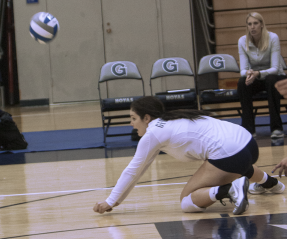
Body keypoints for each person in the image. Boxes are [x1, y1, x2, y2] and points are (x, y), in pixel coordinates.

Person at [93, 96, 285, 215]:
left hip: (232, 154)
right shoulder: (175, 119)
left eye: (133, 118)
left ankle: (229, 190)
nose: (131, 124)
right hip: (249, 144)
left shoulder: (153, 133)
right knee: (231, 165)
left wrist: (111, 201)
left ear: (147, 118)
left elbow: (133, 171)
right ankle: (272, 183)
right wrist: (115, 201)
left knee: (186, 202)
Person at [237, 12, 286, 138]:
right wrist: (248, 73)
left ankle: (276, 128)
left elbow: (275, 69)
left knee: (270, 79)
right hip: (256, 77)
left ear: (262, 25)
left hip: (275, 77)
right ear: (247, 26)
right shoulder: (242, 41)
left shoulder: (273, 38)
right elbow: (242, 70)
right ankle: (248, 130)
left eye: (255, 23)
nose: (252, 27)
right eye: (249, 24)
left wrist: (258, 73)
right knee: (242, 82)